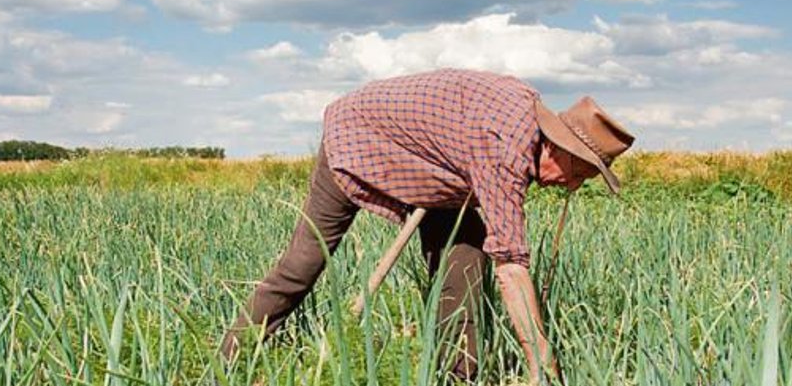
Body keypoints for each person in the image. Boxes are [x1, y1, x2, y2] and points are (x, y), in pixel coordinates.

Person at [221, 68, 634, 383]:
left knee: (466, 254)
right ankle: (229, 360)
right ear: (557, 147)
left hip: (436, 169)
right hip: (357, 137)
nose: (574, 186)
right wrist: (541, 362)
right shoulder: (504, 148)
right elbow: (511, 266)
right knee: (305, 261)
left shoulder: (522, 126)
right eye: (579, 173)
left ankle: (457, 374)